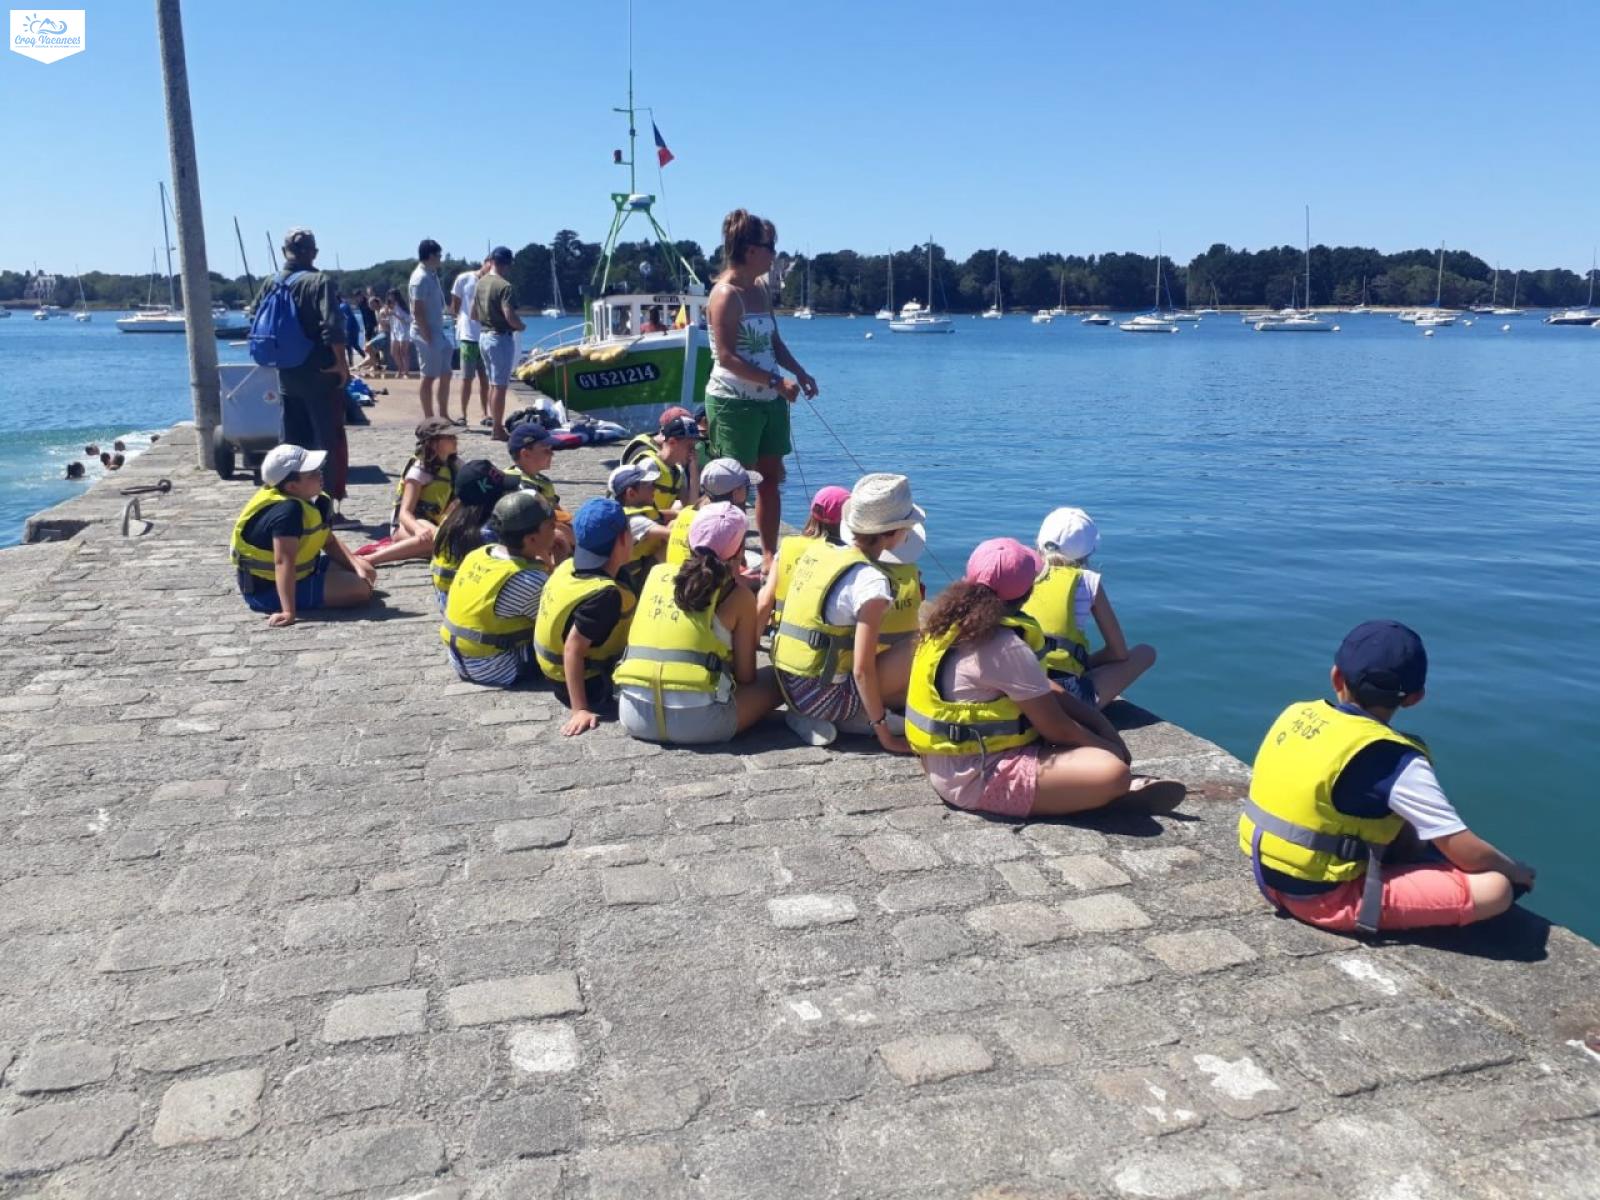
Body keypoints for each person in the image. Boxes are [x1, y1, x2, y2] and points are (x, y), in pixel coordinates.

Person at [1239, 620, 1534, 936]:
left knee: (1396, 821)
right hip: (1322, 897)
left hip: (1265, 873)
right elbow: (1463, 849)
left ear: (1335, 676)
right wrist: (1516, 871)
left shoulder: (1298, 714)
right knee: (1496, 888)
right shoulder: (1394, 759)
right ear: (1415, 697)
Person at [906, 538, 1181, 820]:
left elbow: (1044, 688)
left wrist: (1099, 722)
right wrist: (1110, 747)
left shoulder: (946, 624)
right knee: (1112, 772)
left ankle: (1081, 788)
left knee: (1096, 752)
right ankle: (1104, 794)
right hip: (976, 778)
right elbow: (1058, 730)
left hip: (943, 764)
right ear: (1027, 593)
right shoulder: (1004, 645)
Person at [771, 473, 923, 749]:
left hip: (789, 686)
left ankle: (824, 716)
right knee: (924, 643)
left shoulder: (822, 552)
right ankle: (859, 718)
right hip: (824, 697)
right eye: (907, 526)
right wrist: (885, 737)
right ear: (892, 532)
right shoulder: (870, 581)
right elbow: (863, 670)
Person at [705, 209, 818, 569]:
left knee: (771, 478)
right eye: (770, 247)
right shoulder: (725, 295)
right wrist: (774, 381)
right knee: (731, 485)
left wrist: (798, 372)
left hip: (770, 401)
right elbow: (725, 358)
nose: (774, 254)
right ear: (751, 250)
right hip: (733, 403)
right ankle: (725, 556)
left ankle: (769, 554)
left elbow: (773, 342)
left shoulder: (761, 289)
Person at [615, 503, 784, 744]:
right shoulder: (737, 596)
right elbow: (746, 677)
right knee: (781, 679)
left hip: (634, 715)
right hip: (700, 724)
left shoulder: (656, 575)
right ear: (739, 550)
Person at [1022, 507, 1157, 709]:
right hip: (1066, 701)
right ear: (1088, 552)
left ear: (1039, 543)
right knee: (1146, 652)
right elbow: (1118, 653)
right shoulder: (1088, 582)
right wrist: (1082, 663)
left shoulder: (1019, 574)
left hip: (1019, 687)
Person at [230, 444, 375, 626]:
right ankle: (299, 598)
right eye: (311, 473)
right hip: (266, 590)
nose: (319, 474)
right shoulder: (287, 512)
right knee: (359, 589)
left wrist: (356, 567)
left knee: (367, 571)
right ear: (291, 486)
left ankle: (335, 583)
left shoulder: (309, 500)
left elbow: (328, 541)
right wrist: (288, 611)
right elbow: (283, 562)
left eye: (318, 469)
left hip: (303, 572)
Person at [254, 230, 348, 499]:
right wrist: (342, 364)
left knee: (292, 442)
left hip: (287, 373)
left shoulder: (270, 282)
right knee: (329, 441)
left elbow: (255, 316)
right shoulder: (319, 281)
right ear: (313, 253)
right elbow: (332, 325)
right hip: (320, 371)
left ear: (285, 252)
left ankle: (289, 499)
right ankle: (330, 503)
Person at [533, 498, 636, 736]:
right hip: (591, 684)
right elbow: (573, 648)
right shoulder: (605, 596)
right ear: (622, 539)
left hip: (554, 674)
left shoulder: (568, 566)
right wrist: (580, 708)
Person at [440, 491, 557, 686]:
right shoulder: (529, 580)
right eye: (551, 526)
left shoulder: (480, 553)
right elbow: (557, 624)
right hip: (494, 666)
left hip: (461, 657)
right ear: (531, 539)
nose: (555, 530)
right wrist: (558, 565)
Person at [364, 417, 458, 565]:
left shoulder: (454, 464)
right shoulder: (419, 471)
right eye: (450, 437)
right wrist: (418, 530)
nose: (455, 439)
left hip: (433, 522)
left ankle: (420, 547)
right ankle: (370, 559)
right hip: (408, 524)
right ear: (433, 443)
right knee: (439, 541)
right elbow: (404, 513)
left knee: (451, 545)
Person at [756, 483, 847, 632]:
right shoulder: (844, 555)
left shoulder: (788, 546)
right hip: (824, 641)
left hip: (783, 633)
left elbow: (765, 600)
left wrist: (750, 646)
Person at [430, 459, 518, 610]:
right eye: (504, 491)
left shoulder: (451, 521)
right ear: (492, 499)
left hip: (449, 603)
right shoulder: (487, 534)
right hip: (476, 609)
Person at [472, 246, 526, 440]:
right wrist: (520, 326)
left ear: (492, 261)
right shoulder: (504, 286)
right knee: (500, 386)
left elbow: (473, 314)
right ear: (507, 264)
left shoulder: (480, 283)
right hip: (499, 338)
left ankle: (494, 423)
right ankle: (497, 429)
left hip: (484, 337)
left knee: (493, 384)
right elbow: (509, 315)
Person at [665, 457, 760, 566]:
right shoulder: (727, 525)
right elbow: (735, 572)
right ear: (736, 492)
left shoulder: (686, 512)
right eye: (746, 486)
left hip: (676, 575)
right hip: (701, 580)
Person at [505, 422, 574, 562]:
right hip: (529, 547)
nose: (552, 453)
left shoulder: (541, 480)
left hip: (548, 535)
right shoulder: (518, 485)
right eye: (546, 450)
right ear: (526, 454)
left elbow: (558, 511)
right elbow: (532, 529)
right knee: (561, 534)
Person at [609, 462, 675, 597]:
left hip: (640, 571)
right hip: (634, 583)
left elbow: (663, 514)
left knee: (676, 518)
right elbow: (673, 535)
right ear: (631, 493)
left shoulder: (632, 510)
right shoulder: (634, 521)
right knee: (672, 537)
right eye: (648, 485)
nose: (654, 489)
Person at [409, 238, 454, 422]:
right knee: (428, 376)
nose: (440, 258)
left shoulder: (432, 274)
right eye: (438, 255)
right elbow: (417, 309)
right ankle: (429, 418)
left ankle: (443, 414)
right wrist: (427, 335)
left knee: (446, 373)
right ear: (430, 255)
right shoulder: (419, 278)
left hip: (438, 331)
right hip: (426, 333)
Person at [621, 414, 702, 515]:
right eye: (689, 446)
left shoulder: (678, 472)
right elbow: (636, 509)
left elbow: (691, 508)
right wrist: (675, 515)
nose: (693, 451)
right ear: (672, 442)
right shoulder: (649, 464)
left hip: (653, 522)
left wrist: (693, 469)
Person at [451, 256, 491, 427]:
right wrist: (460, 320)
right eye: (490, 265)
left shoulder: (493, 283)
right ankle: (463, 414)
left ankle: (485, 413)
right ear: (485, 262)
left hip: (486, 335)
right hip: (468, 335)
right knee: (467, 377)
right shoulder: (464, 279)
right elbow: (455, 305)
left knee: (485, 378)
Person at [386, 288, 413, 378]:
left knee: (403, 352)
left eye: (392, 295)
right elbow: (390, 318)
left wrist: (395, 315)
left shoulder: (401, 306)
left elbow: (409, 319)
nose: (390, 297)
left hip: (404, 330)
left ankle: (406, 372)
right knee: (393, 352)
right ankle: (400, 368)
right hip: (394, 331)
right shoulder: (389, 305)